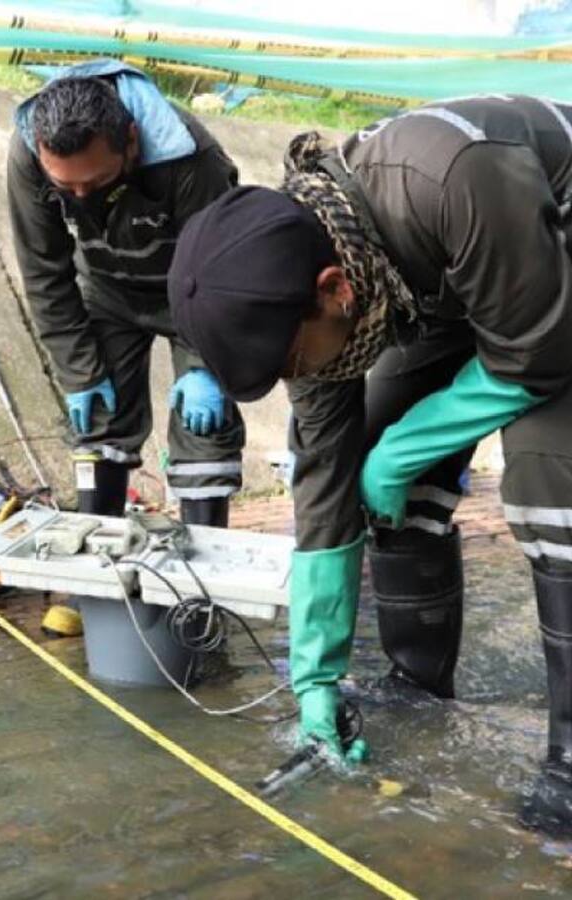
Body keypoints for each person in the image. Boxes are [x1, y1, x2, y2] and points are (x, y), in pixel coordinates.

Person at [166, 95, 572, 831]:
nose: (302, 376)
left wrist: (403, 449)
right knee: (378, 475)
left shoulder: (449, 176)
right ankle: (417, 686)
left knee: (551, 487)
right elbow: (325, 483)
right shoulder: (306, 273)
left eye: (295, 360)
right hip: (450, 287)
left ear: (334, 289)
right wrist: (315, 679)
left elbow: (539, 350)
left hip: (550, 264)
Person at [7, 60, 246, 636]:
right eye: (67, 187)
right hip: (108, 290)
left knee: (203, 430)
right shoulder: (28, 156)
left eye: (95, 181)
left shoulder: (194, 162)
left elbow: (222, 268)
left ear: (131, 141)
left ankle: (200, 592)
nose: (80, 195)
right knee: (101, 425)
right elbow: (44, 270)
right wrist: (78, 369)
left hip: (196, 290)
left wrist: (210, 365)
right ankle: (95, 579)